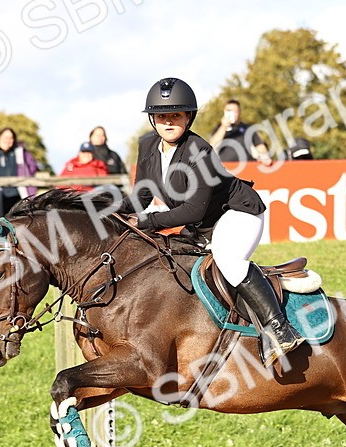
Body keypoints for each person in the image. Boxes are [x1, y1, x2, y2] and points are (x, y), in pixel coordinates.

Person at [129, 77, 302, 369]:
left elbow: (193, 211)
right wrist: (111, 214)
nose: (168, 122)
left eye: (176, 115)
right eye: (161, 116)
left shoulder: (199, 150)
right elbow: (142, 193)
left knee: (228, 260)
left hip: (238, 214)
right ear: (152, 120)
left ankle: (280, 329)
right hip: (204, 225)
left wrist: (148, 221)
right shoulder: (147, 146)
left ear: (188, 118)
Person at [0, 127, 40, 218]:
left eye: (11, 138)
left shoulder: (21, 152)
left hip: (19, 194)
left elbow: (32, 167)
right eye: (5, 137)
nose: (8, 140)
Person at [208, 99, 272, 164]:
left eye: (235, 111)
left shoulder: (248, 128)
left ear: (239, 112)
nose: (232, 114)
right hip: (226, 168)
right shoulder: (219, 129)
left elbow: (260, 145)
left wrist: (265, 157)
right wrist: (223, 127)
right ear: (224, 111)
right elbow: (212, 145)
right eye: (229, 111)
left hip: (248, 167)